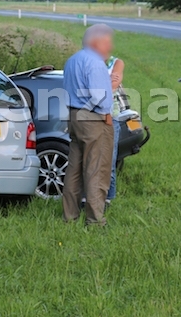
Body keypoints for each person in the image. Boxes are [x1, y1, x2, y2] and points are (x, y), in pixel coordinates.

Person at [62, 24, 114, 226]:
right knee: (97, 168)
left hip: (74, 116)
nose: (109, 48)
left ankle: (70, 216)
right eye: (106, 43)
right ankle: (95, 219)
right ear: (95, 42)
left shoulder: (72, 60)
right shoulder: (95, 62)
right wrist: (106, 115)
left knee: (74, 168)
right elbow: (99, 96)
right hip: (93, 118)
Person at [105, 56, 125, 206]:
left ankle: (108, 198)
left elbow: (113, 85)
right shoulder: (88, 62)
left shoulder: (116, 62)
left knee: (109, 161)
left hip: (112, 117)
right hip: (92, 117)